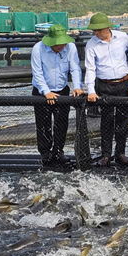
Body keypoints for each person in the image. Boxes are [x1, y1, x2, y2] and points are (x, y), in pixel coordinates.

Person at [85, 13, 128, 167]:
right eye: (94, 30)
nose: (96, 33)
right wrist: (91, 90)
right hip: (104, 85)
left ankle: (120, 153)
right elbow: (90, 68)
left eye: (99, 30)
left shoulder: (122, 37)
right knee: (106, 120)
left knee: (123, 119)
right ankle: (106, 155)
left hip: (123, 83)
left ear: (107, 28)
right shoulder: (91, 45)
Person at [31, 25, 83, 166]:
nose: (61, 46)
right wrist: (46, 91)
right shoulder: (38, 48)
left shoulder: (70, 47)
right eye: (58, 43)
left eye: (63, 43)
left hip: (62, 90)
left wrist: (77, 86)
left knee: (61, 122)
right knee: (43, 123)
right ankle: (45, 153)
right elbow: (37, 72)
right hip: (41, 92)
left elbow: (75, 68)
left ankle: (58, 150)